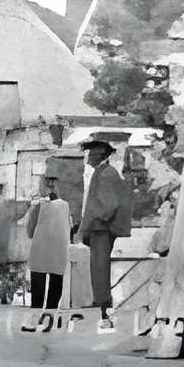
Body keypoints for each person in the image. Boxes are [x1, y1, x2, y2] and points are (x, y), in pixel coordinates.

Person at [78, 140, 130, 328]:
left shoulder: (106, 174)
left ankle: (102, 303)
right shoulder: (103, 172)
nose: (88, 157)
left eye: (90, 154)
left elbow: (109, 205)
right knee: (98, 266)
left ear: (99, 155)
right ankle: (100, 301)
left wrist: (95, 220)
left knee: (99, 266)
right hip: (99, 228)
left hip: (101, 228)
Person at [24, 180, 73, 311]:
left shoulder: (38, 206)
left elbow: (29, 231)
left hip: (40, 251)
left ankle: (34, 321)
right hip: (59, 250)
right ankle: (49, 319)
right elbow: (70, 226)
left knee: (37, 296)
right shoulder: (66, 205)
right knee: (55, 291)